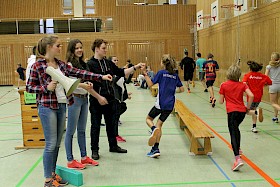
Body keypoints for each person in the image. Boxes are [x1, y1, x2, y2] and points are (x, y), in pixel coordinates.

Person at [26, 35, 112, 187]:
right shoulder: (37, 66)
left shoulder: (61, 64)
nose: (60, 48)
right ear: (49, 47)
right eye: (58, 45)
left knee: (57, 144)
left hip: (62, 105)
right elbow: (29, 87)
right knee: (51, 144)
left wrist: (101, 77)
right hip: (47, 107)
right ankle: (47, 179)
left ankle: (53, 175)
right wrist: (46, 88)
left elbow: (81, 73)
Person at [87, 39, 145, 160]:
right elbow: (88, 85)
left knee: (111, 124)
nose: (105, 50)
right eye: (103, 48)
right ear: (97, 49)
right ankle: (94, 150)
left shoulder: (108, 63)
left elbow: (121, 72)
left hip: (110, 98)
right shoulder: (90, 64)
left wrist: (135, 67)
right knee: (95, 126)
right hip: (96, 100)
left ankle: (113, 145)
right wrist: (99, 97)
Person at [64, 39, 99, 170]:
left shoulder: (83, 64)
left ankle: (84, 157)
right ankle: (70, 160)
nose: (79, 50)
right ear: (72, 50)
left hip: (85, 98)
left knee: (82, 130)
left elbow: (86, 79)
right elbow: (70, 83)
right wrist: (84, 85)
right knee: (70, 131)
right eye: (76, 48)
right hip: (75, 99)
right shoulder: (68, 65)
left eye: (81, 47)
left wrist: (89, 84)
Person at [141, 54, 184, 158]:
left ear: (163, 63)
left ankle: (153, 129)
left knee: (148, 119)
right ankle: (155, 149)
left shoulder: (161, 73)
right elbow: (182, 89)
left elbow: (151, 85)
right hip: (170, 105)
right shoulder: (175, 75)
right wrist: (172, 91)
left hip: (160, 104)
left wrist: (145, 75)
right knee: (159, 125)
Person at [219, 64, 254, 171]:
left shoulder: (224, 85)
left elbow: (220, 102)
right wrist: (248, 108)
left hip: (232, 112)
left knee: (233, 133)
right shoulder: (243, 85)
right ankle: (238, 149)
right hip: (241, 112)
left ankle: (237, 159)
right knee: (236, 129)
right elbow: (251, 96)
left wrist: (224, 96)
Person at [242, 61, 272, 133]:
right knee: (253, 109)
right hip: (259, 96)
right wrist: (263, 85)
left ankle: (257, 112)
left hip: (251, 97)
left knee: (246, 111)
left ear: (250, 68)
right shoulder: (262, 76)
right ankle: (254, 127)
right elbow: (270, 82)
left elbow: (244, 84)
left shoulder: (247, 75)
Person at [109, 55, 131, 142]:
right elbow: (113, 82)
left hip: (119, 98)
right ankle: (115, 135)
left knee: (122, 108)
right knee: (116, 113)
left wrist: (126, 94)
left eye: (117, 60)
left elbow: (124, 84)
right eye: (114, 60)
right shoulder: (111, 73)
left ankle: (115, 133)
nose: (116, 61)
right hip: (113, 98)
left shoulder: (118, 73)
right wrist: (122, 71)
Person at [265, 52, 280, 123]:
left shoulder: (269, 66)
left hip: (273, 85)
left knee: (273, 103)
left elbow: (266, 76)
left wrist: (265, 84)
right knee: (276, 102)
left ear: (272, 58)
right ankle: (275, 117)